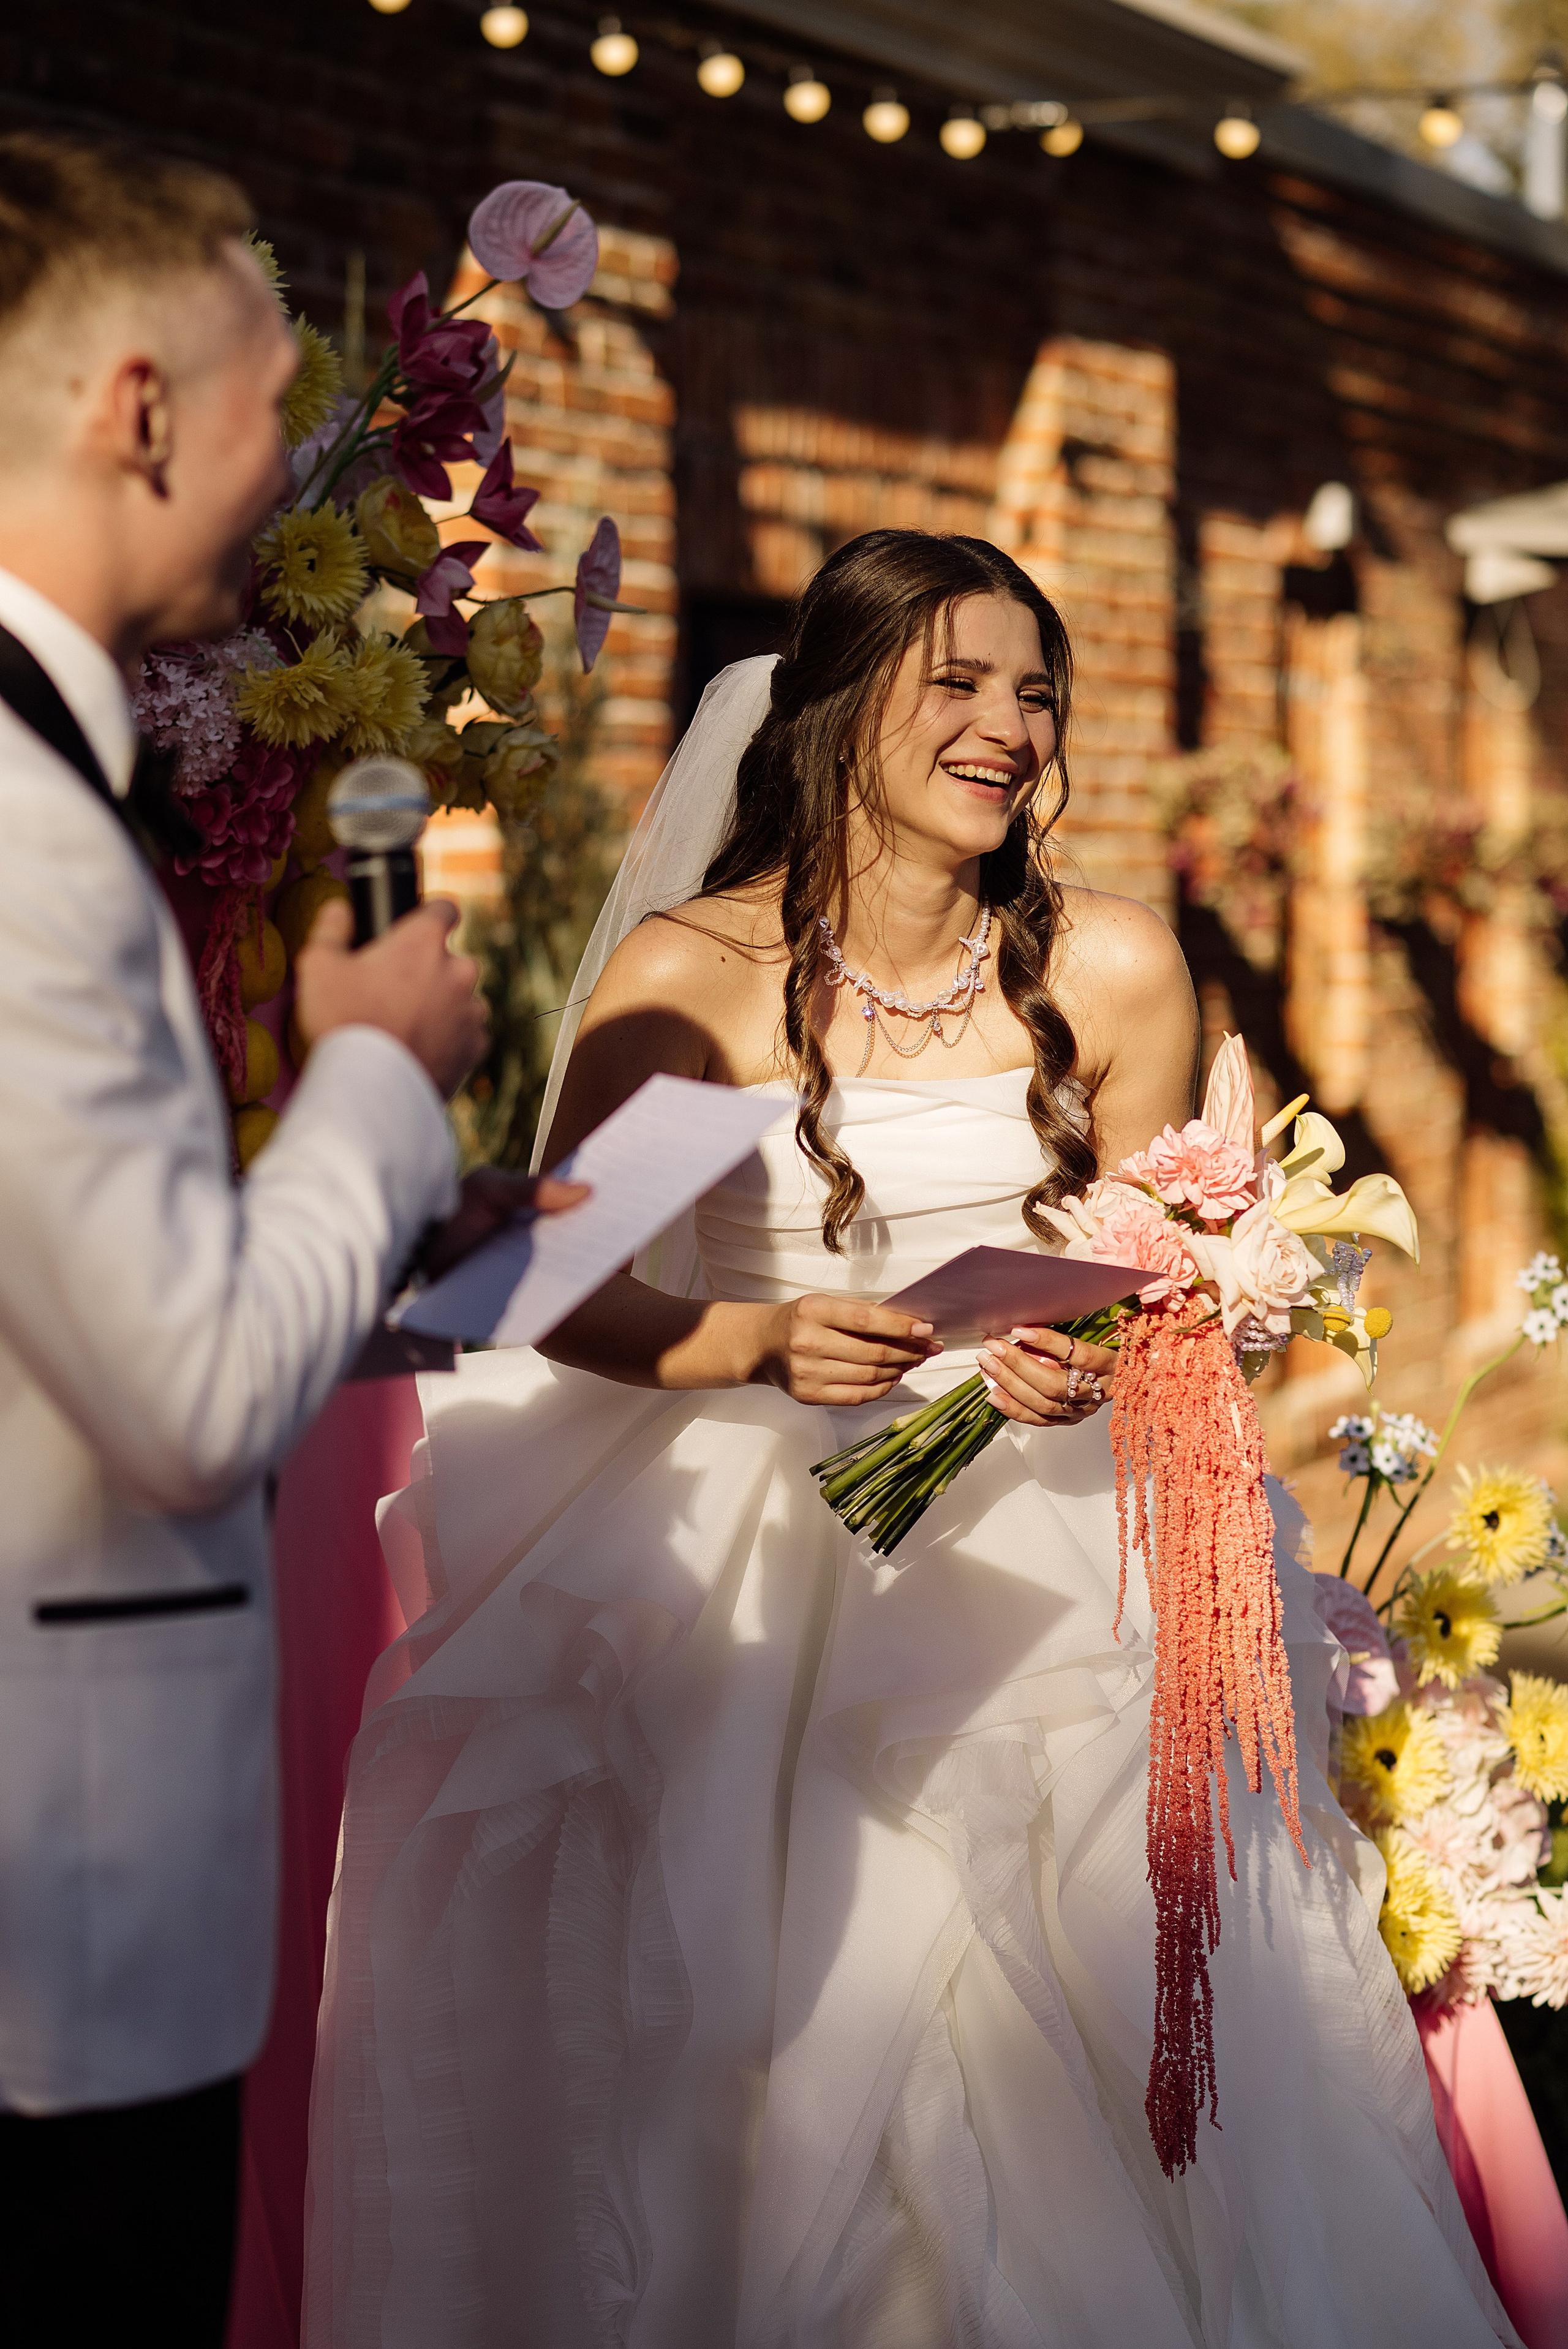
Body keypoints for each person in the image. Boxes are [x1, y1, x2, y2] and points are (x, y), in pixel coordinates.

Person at [306, 532, 1517, 2345]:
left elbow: (1152, 1268)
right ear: (836, 706)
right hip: (740, 1552)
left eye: (1035, 691)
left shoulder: (1109, 970)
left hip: (1054, 1571)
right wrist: (766, 1340)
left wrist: (1097, 1352)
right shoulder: (700, 977)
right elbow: (556, 1286)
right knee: (758, 2043)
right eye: (956, 681)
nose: (1008, 725)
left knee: (1092, 2065)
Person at [0, 132, 579, 2344]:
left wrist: (394, 1232)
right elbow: (179, 1395)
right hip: (57, 1950)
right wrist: (366, 1062)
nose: (296, 467)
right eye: (270, 401)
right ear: (138, 410)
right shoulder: (28, 833)